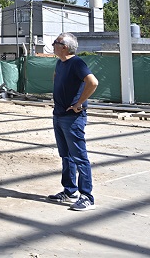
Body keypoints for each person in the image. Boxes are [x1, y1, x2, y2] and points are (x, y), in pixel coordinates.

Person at [47, 32, 99, 211]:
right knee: (65, 155)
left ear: (65, 47)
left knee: (79, 157)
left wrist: (78, 103)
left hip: (73, 118)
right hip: (59, 114)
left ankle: (87, 196)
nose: (53, 44)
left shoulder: (77, 63)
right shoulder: (60, 63)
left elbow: (92, 82)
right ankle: (70, 190)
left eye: (56, 42)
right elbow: (56, 78)